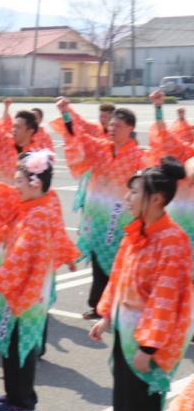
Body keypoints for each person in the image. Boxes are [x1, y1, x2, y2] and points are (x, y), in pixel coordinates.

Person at [89, 158, 194, 411]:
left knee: (143, 405)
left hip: (148, 339)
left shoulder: (172, 241)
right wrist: (106, 316)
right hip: (125, 329)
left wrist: (149, 347)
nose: (128, 197)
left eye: (135, 192)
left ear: (157, 199)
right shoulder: (137, 232)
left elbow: (165, 299)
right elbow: (118, 277)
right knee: (124, 400)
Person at [0, 151, 80, 411]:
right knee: (15, 342)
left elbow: (22, 255)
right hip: (25, 287)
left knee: (20, 343)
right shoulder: (36, 206)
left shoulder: (37, 215)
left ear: (35, 184)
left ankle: (23, 401)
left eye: (20, 182)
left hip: (28, 290)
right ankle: (15, 394)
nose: (15, 187)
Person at [52, 97, 152, 319]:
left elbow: (149, 187)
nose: (112, 129)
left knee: (122, 264)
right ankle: (97, 305)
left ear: (130, 129)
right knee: (98, 261)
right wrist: (66, 112)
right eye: (111, 125)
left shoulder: (139, 157)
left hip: (122, 221)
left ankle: (117, 305)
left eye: (118, 126)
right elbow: (78, 134)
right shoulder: (100, 148)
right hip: (97, 217)